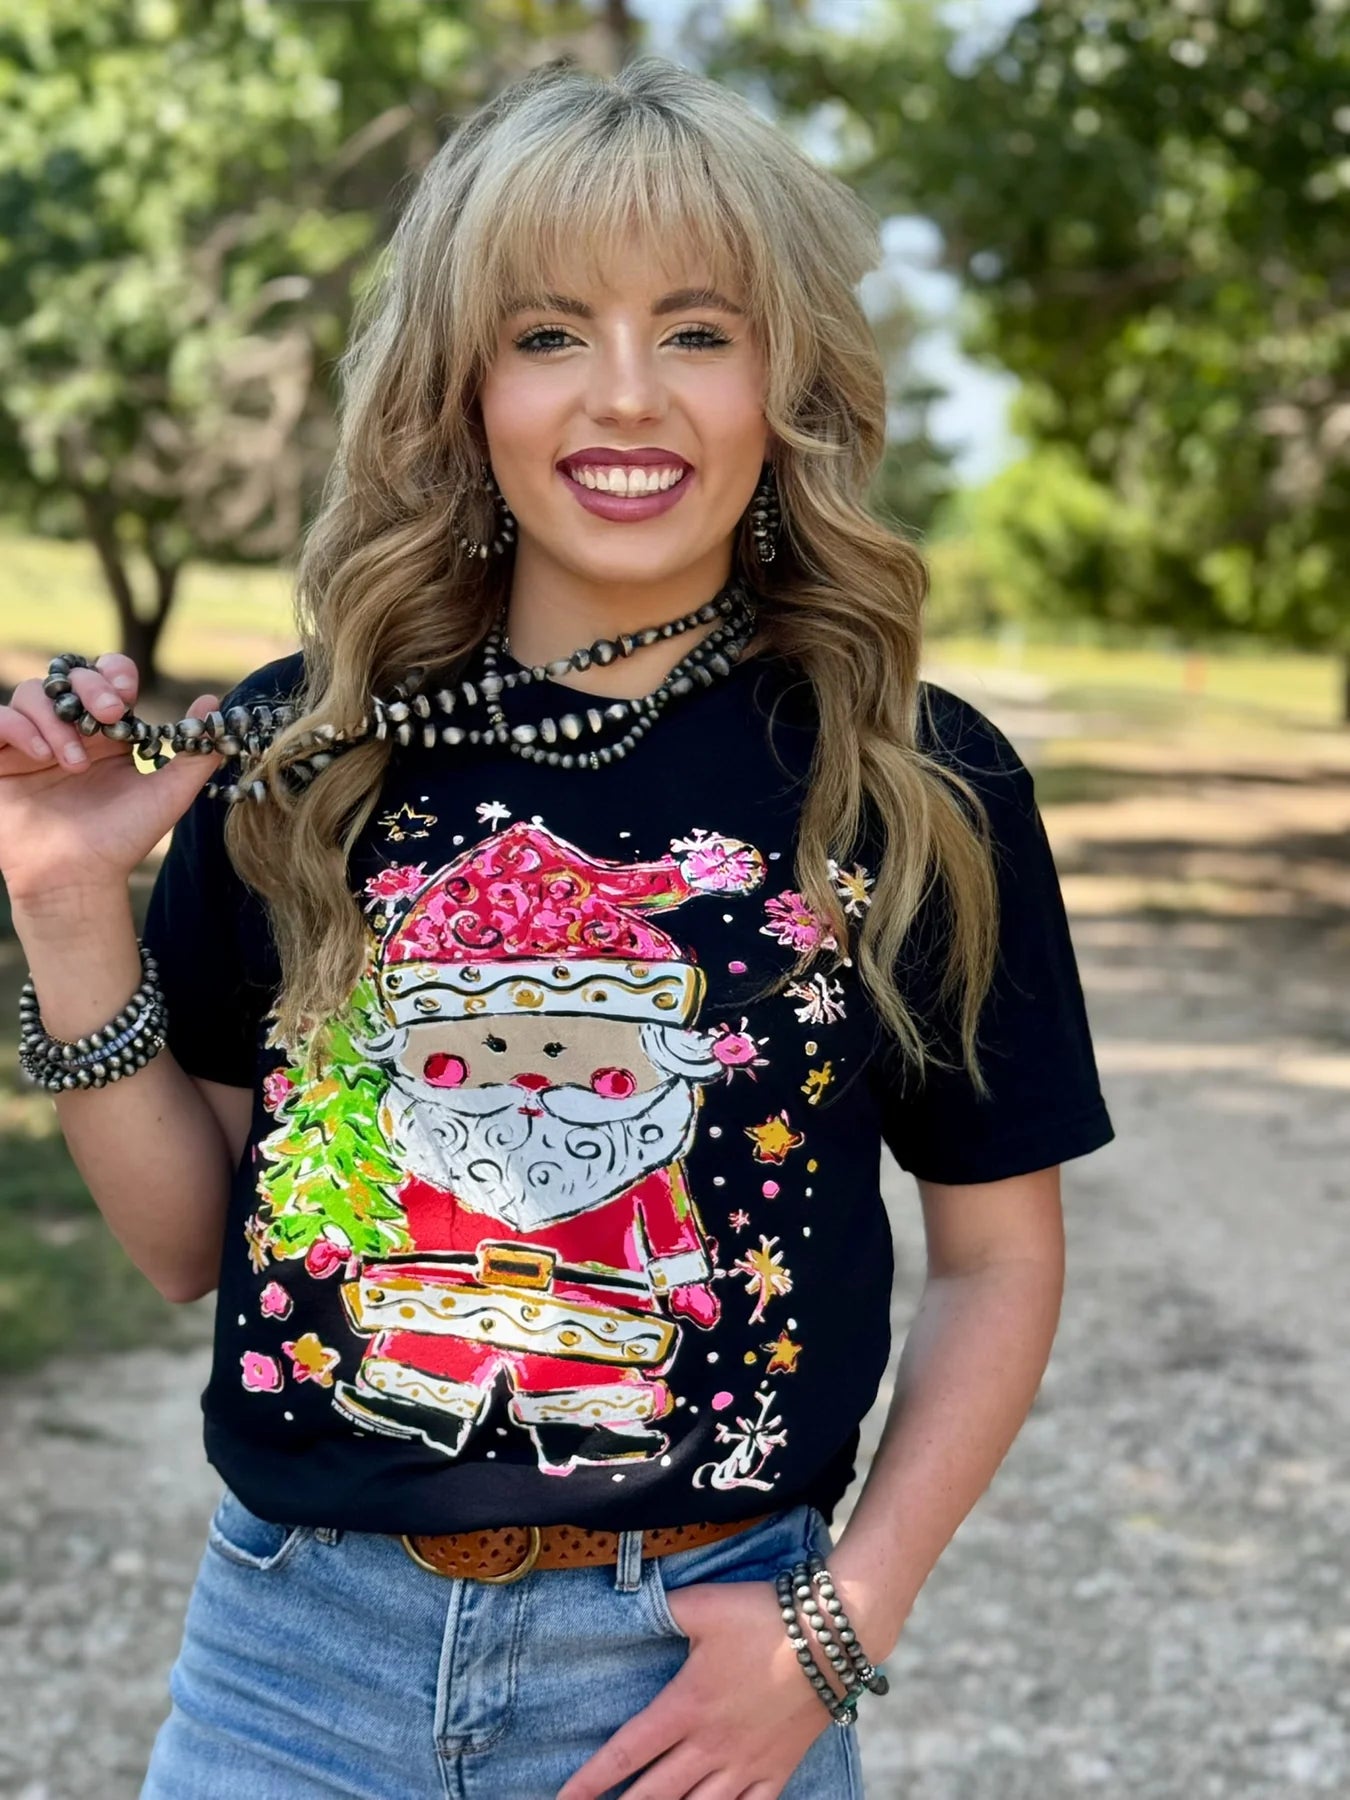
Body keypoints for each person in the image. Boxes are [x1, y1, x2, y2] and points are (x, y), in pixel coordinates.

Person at [0, 54, 1115, 1800]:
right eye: (545, 334)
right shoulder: (307, 751)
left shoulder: (910, 783)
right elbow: (186, 1246)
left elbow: (997, 1259)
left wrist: (838, 1626)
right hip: (290, 1675)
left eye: (696, 330)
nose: (625, 396)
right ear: (461, 389)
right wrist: (67, 904)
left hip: (691, 1671)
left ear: (786, 379)